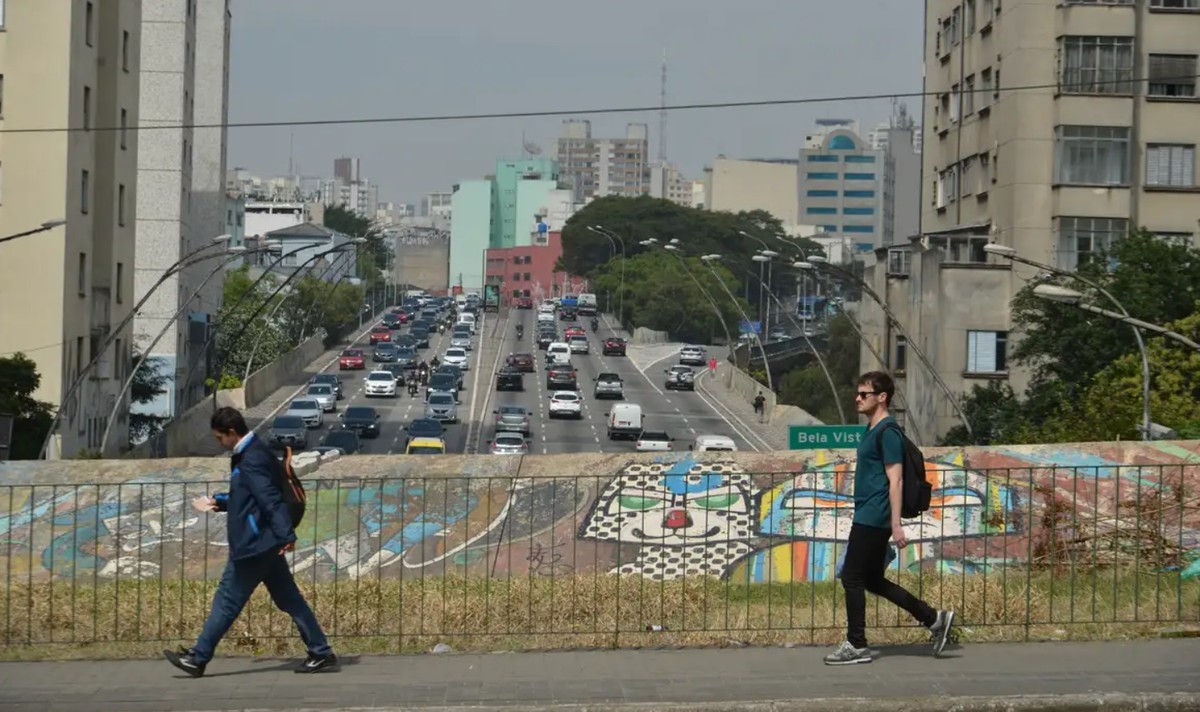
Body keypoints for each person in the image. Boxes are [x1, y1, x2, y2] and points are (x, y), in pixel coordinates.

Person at [164, 408, 337, 677]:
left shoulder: (251, 458)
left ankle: (198, 658)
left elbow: (270, 500)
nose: (219, 442)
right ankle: (321, 652)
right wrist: (220, 502)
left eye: (220, 438)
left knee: (227, 600)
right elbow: (249, 497)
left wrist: (286, 536)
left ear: (232, 433)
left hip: (254, 545)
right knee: (290, 599)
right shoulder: (253, 452)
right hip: (265, 543)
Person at [823, 371, 954, 666]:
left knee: (852, 577)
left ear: (882, 397)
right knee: (871, 580)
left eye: (864, 394)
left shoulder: (888, 433)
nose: (857, 398)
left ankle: (856, 645)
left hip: (875, 514)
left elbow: (896, 480)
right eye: (857, 393)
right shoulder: (872, 430)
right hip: (868, 511)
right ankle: (934, 619)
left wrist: (896, 524)